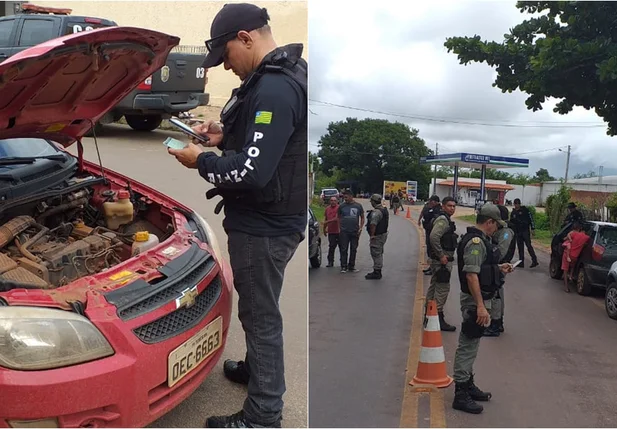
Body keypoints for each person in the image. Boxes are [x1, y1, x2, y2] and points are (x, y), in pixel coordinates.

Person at [166, 4, 307, 427]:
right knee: (261, 307)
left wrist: (201, 160)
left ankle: (263, 415)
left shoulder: (275, 88)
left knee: (260, 316)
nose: (226, 67)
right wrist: (225, 134)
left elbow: (252, 171)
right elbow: (269, 140)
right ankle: (257, 370)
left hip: (263, 226)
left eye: (226, 56)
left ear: (246, 37)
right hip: (276, 218)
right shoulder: (283, 76)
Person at [452, 203, 514, 414]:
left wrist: (498, 268)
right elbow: (471, 275)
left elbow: (480, 269)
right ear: (489, 222)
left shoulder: (480, 241)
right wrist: (480, 305)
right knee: (468, 345)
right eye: (495, 225)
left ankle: (468, 384)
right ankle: (461, 392)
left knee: (473, 344)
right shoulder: (476, 242)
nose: (496, 229)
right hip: (473, 300)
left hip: (477, 299)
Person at [427, 196, 458, 331]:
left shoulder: (445, 218)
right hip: (442, 262)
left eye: (454, 206)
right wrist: (441, 255)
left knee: (434, 287)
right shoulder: (443, 219)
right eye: (449, 206)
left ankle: (429, 315)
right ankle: (437, 317)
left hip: (440, 261)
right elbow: (434, 237)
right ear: (443, 206)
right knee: (441, 289)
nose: (452, 208)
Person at [484, 204, 514, 337]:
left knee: (495, 295)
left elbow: (500, 252)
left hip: (500, 267)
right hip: (498, 266)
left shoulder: (506, 233)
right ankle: (498, 322)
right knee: (498, 294)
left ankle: (495, 324)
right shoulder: (500, 231)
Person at [338, 189, 364, 273]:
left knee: (353, 249)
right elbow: (338, 217)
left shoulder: (358, 206)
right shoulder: (342, 206)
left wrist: (360, 227)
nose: (345, 199)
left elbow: (362, 217)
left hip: (354, 231)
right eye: (344, 197)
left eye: (346, 197)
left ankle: (351, 266)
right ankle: (343, 266)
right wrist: (339, 228)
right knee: (344, 249)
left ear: (351, 196)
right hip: (344, 231)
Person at [365, 194, 389, 280]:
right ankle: (377, 270)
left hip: (377, 235)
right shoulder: (383, 210)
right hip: (383, 234)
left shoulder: (377, 212)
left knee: (376, 253)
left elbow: (373, 224)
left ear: (373, 202)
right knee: (379, 252)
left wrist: (372, 235)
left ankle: (377, 271)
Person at [509, 198, 538, 268]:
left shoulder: (525, 210)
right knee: (520, 247)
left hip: (525, 230)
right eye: (515, 204)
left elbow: (531, 219)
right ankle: (521, 262)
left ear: (519, 204)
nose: (516, 206)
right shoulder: (513, 213)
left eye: (517, 204)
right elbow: (511, 222)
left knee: (528, 246)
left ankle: (534, 260)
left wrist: (533, 228)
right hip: (518, 231)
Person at [561, 222, 589, 293]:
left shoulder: (574, 234)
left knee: (565, 270)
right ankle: (570, 276)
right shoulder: (586, 238)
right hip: (575, 257)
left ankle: (566, 287)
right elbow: (587, 244)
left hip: (567, 254)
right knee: (572, 266)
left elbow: (565, 238)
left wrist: (568, 239)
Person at [418, 195, 441, 275]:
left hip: (433, 232)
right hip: (429, 231)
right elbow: (424, 213)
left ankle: (433, 268)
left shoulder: (437, 210)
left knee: (432, 250)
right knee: (430, 250)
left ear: (435, 202)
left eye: (432, 201)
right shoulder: (431, 208)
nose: (430, 202)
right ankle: (431, 267)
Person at [324, 196, 341, 268]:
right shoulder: (327, 209)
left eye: (334, 200)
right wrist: (324, 229)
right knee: (331, 247)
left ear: (337, 201)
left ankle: (343, 262)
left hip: (339, 231)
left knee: (342, 247)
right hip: (331, 231)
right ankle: (330, 262)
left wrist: (326, 222)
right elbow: (325, 218)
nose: (333, 202)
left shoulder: (340, 208)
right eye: (331, 200)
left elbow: (337, 219)